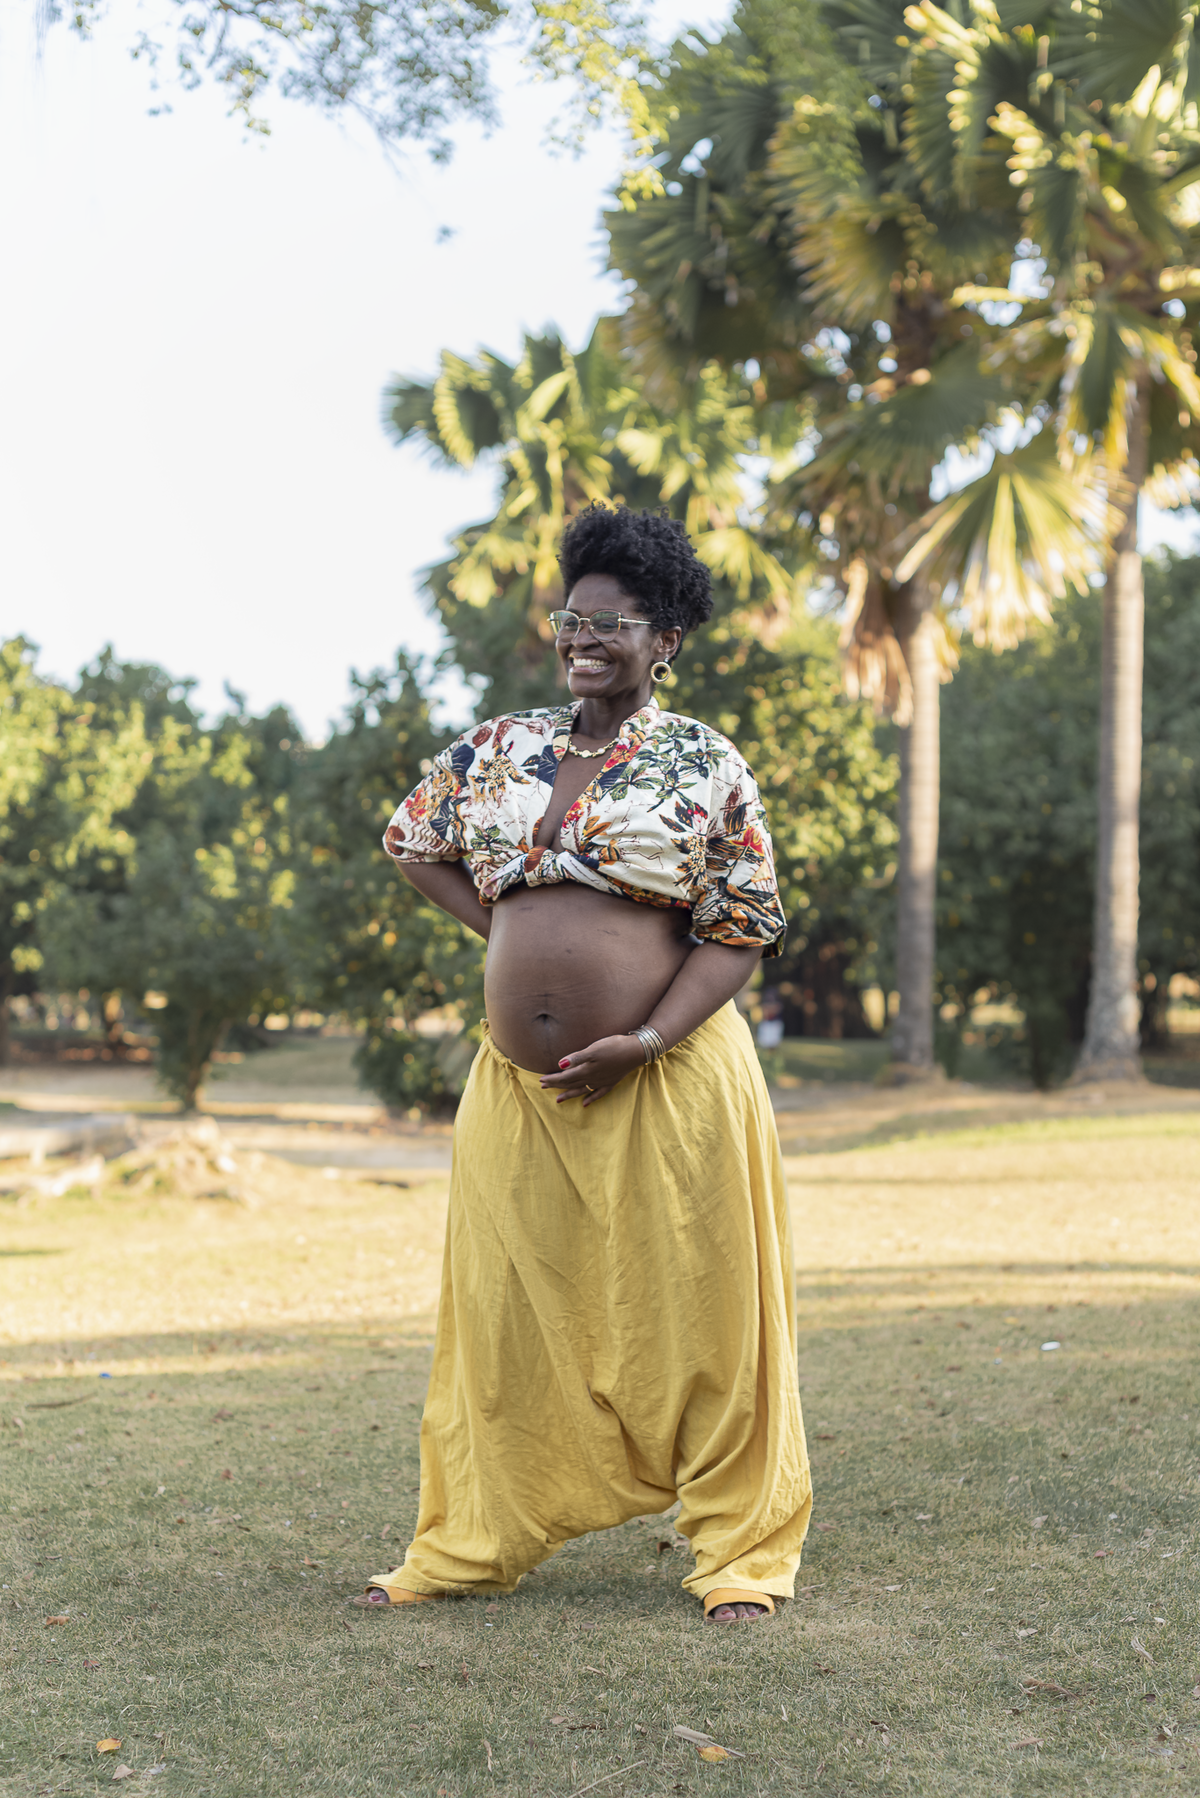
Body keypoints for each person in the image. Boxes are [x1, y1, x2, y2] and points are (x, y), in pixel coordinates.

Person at [355, 503, 811, 1625]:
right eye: (573, 617)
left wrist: (643, 1032)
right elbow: (412, 840)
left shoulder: (703, 760)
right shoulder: (500, 748)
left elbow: (744, 922)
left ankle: (739, 1553)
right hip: (522, 1090)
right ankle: (469, 1540)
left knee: (709, 1315)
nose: (585, 635)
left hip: (671, 1075)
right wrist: (513, 931)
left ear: (665, 641)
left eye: (614, 621)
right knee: (503, 1317)